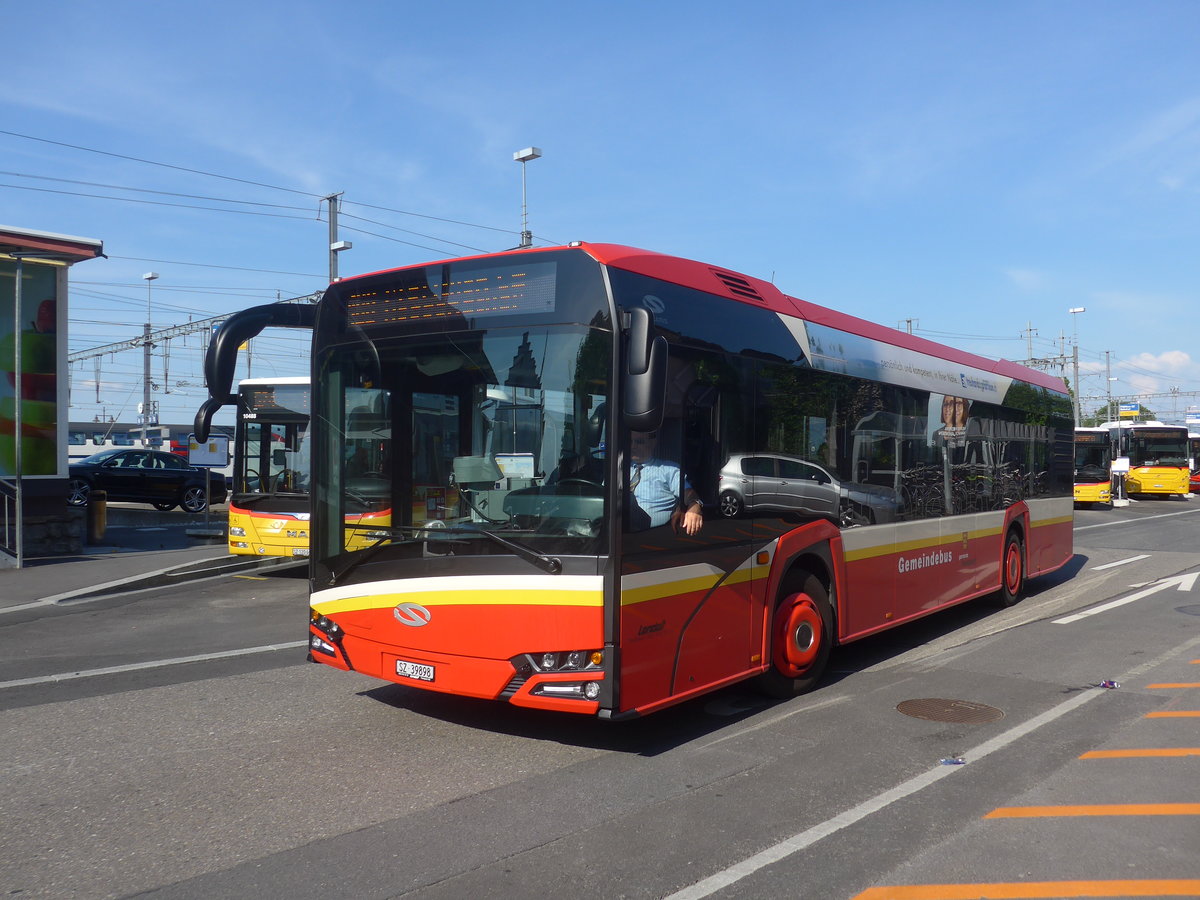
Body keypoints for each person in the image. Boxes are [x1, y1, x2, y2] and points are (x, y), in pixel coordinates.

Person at [629, 430, 704, 535]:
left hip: (651, 536)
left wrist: (694, 506)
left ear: (653, 442)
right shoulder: (620, 469)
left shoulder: (669, 469)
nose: (633, 446)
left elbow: (688, 493)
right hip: (618, 531)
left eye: (639, 442)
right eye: (630, 441)